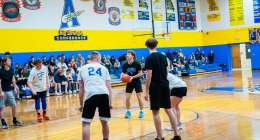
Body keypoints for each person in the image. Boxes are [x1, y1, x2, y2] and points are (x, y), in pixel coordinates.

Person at [144, 38, 181, 140]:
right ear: (157, 45)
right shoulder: (163, 57)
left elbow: (149, 76)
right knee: (168, 109)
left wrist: (146, 91)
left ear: (146, 46)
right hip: (165, 85)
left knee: (156, 112)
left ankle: (160, 137)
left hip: (155, 86)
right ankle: (176, 135)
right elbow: (167, 71)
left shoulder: (149, 58)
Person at [79, 51, 112, 140]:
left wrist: (81, 104)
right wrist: (110, 102)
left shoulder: (82, 68)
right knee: (104, 121)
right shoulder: (104, 68)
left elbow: (81, 88)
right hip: (104, 94)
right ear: (98, 58)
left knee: (86, 123)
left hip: (90, 95)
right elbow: (109, 87)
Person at [0, 57, 22, 129]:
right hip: (2, 91)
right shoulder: (0, 71)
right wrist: (1, 92)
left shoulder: (11, 70)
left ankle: (14, 120)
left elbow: (13, 79)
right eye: (9, 61)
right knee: (1, 107)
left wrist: (15, 87)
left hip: (9, 91)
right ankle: (3, 122)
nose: (10, 62)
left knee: (14, 105)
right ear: (4, 63)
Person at [122, 50, 144, 119]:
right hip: (129, 83)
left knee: (139, 97)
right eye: (127, 54)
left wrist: (132, 77)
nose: (127, 55)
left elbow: (141, 73)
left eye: (129, 54)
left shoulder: (137, 63)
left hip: (137, 82)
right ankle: (128, 112)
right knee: (127, 98)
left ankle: (141, 111)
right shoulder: (125, 65)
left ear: (133, 56)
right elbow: (123, 73)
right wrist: (123, 77)